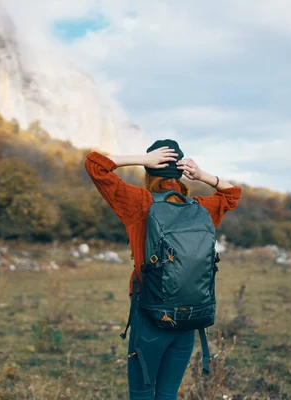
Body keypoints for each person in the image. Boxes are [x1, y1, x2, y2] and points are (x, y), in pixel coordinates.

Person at [85, 139, 242, 400]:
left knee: (142, 394)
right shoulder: (200, 208)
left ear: (150, 170)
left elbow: (95, 165)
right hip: (189, 318)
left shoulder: (139, 203)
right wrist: (203, 175)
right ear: (181, 173)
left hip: (150, 316)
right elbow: (232, 194)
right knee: (168, 394)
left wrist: (140, 159)